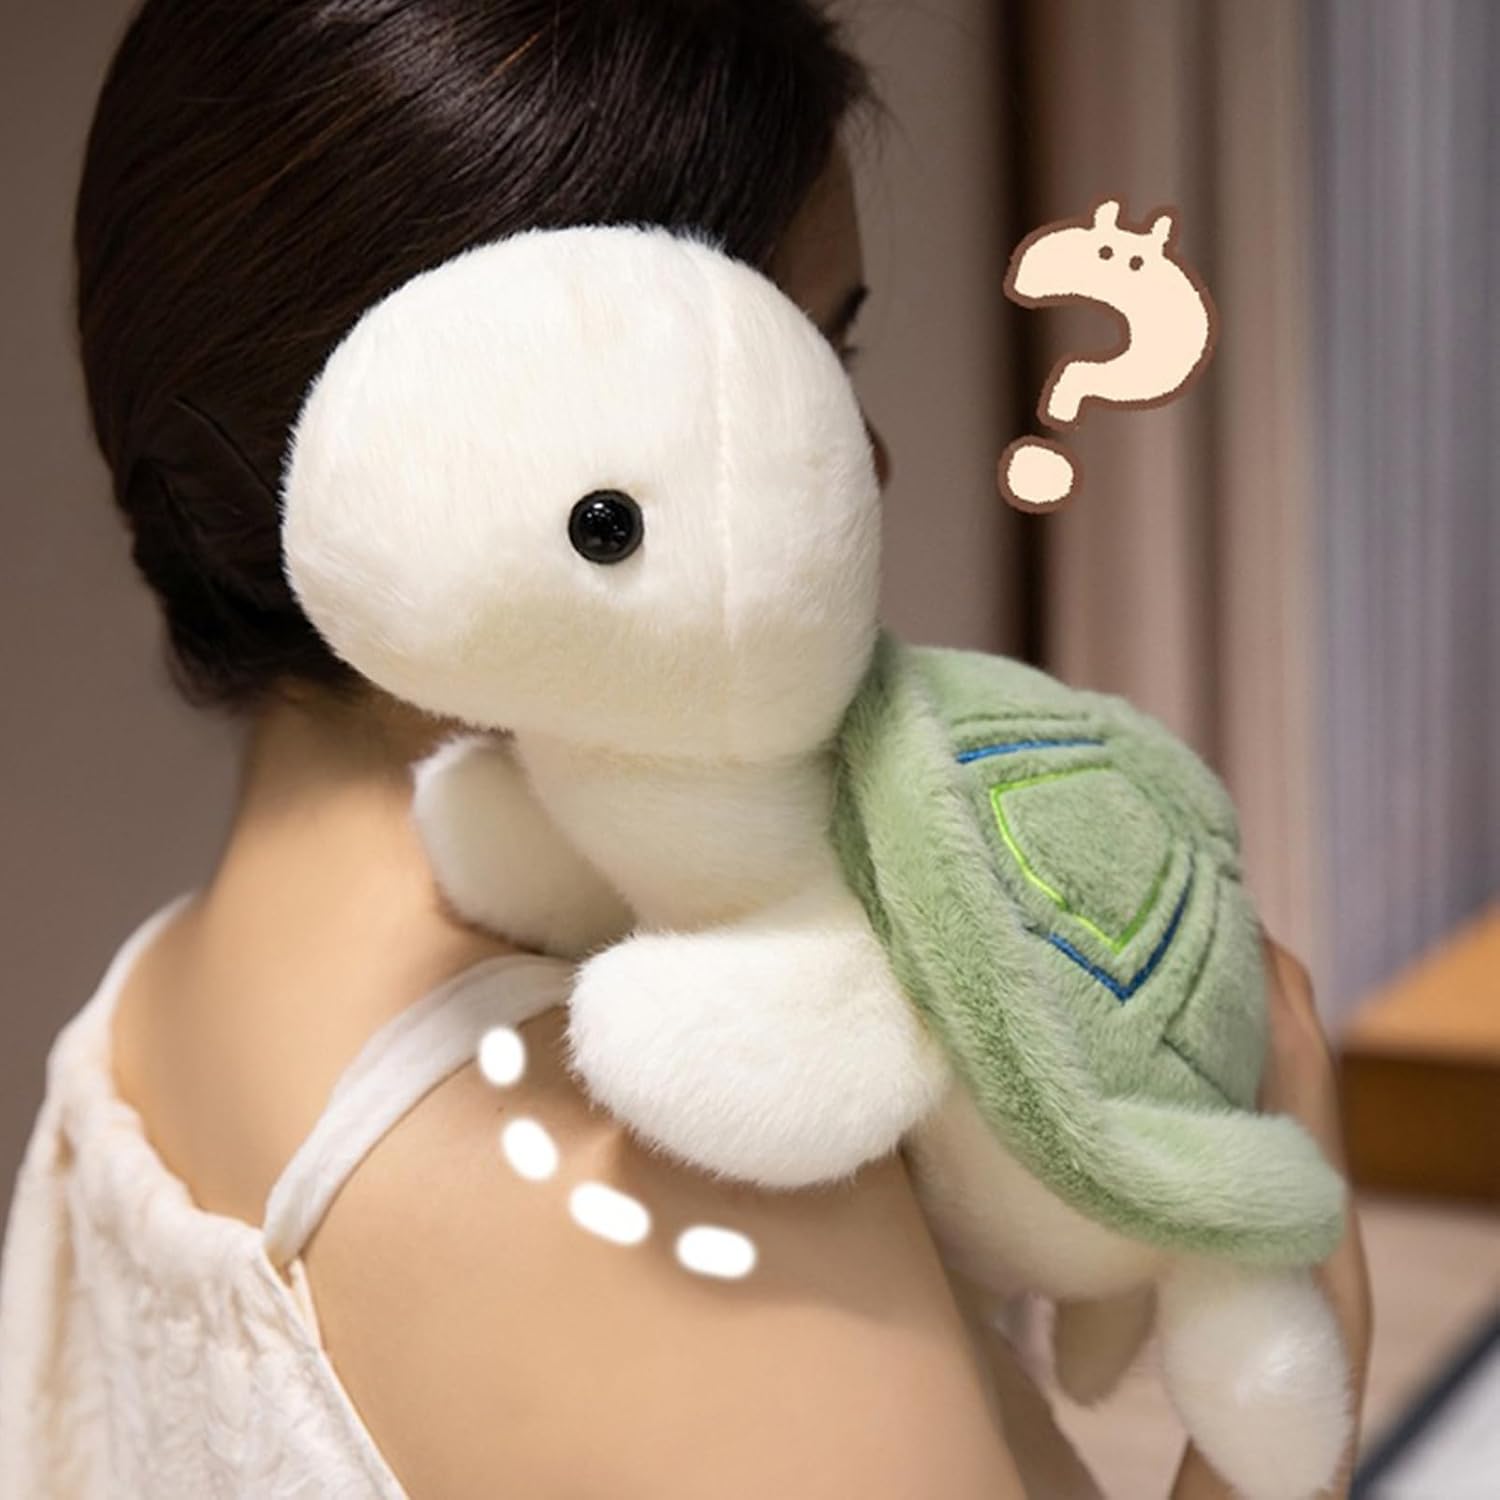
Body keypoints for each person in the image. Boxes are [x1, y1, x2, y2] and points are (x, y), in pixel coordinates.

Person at [0, 2, 1370, 1496]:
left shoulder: (139, 1022)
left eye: (837, 347)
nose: (869, 461)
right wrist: (1302, 1298)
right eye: (786, 375)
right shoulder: (669, 1172)